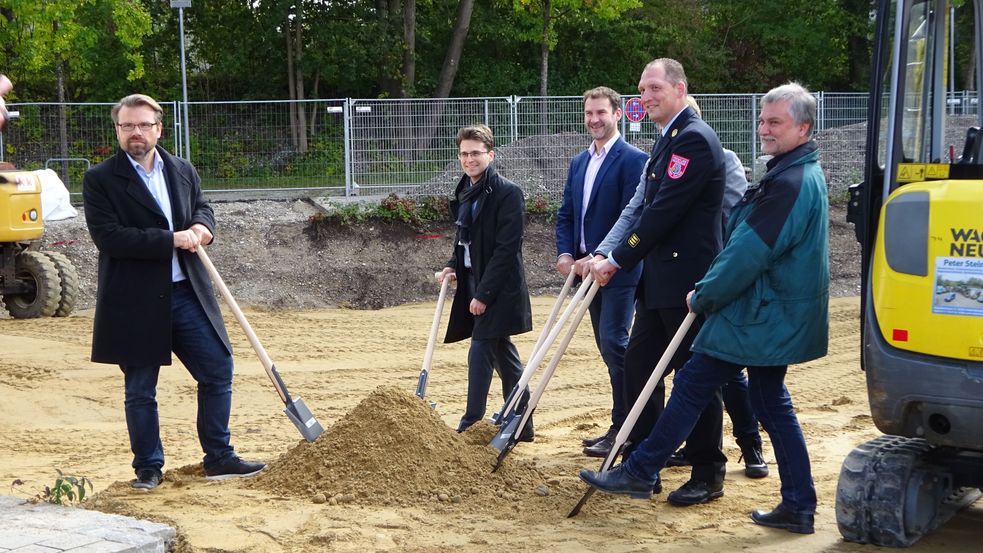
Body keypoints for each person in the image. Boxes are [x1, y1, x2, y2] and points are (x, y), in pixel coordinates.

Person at [580, 82, 829, 535]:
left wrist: (706, 292)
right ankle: (798, 504)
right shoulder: (791, 174)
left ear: (804, 127)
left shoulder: (791, 182)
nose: (764, 129)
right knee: (769, 403)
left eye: (775, 122)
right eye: (762, 120)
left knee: (697, 383)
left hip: (760, 311)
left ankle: (645, 470)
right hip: (768, 311)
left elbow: (747, 252)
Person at [83, 94, 265, 491]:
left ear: (158, 128)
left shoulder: (182, 169)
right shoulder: (100, 179)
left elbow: (202, 207)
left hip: (187, 292)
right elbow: (109, 237)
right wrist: (171, 238)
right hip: (134, 300)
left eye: (144, 125)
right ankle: (148, 467)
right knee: (140, 390)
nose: (136, 133)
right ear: (117, 130)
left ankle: (219, 457)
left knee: (218, 369)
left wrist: (202, 228)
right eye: (127, 126)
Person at [588, 58, 728, 505]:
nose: (644, 97)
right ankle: (641, 467)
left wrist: (618, 257)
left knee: (693, 379)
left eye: (653, 88)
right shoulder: (667, 141)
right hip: (660, 282)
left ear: (679, 88)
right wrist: (615, 255)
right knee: (638, 367)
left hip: (686, 281)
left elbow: (662, 212)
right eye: (641, 89)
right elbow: (645, 207)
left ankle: (708, 471)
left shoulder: (693, 142)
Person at [665, 95, 768, 479]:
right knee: (690, 369)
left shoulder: (723, 159)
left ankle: (751, 445)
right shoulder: (666, 159)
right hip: (683, 277)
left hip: (716, 275)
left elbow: (735, 216)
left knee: (728, 371)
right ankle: (695, 445)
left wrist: (719, 270)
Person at [555, 86, 647, 457]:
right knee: (607, 348)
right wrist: (565, 253)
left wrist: (601, 255)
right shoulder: (579, 162)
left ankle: (629, 426)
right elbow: (567, 213)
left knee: (615, 343)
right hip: (585, 271)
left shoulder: (632, 159)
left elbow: (631, 215)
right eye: (589, 113)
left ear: (618, 114)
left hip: (619, 269)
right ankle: (621, 424)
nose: (594, 120)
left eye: (601, 113)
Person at [437, 124, 534, 439]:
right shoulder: (466, 190)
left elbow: (507, 251)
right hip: (474, 281)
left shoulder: (507, 193)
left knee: (480, 349)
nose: (469, 159)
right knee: (502, 351)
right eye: (464, 154)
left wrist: (484, 294)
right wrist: (452, 265)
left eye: (476, 153)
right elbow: (464, 238)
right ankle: (523, 423)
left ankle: (470, 424)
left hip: (499, 288)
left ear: (490, 155)